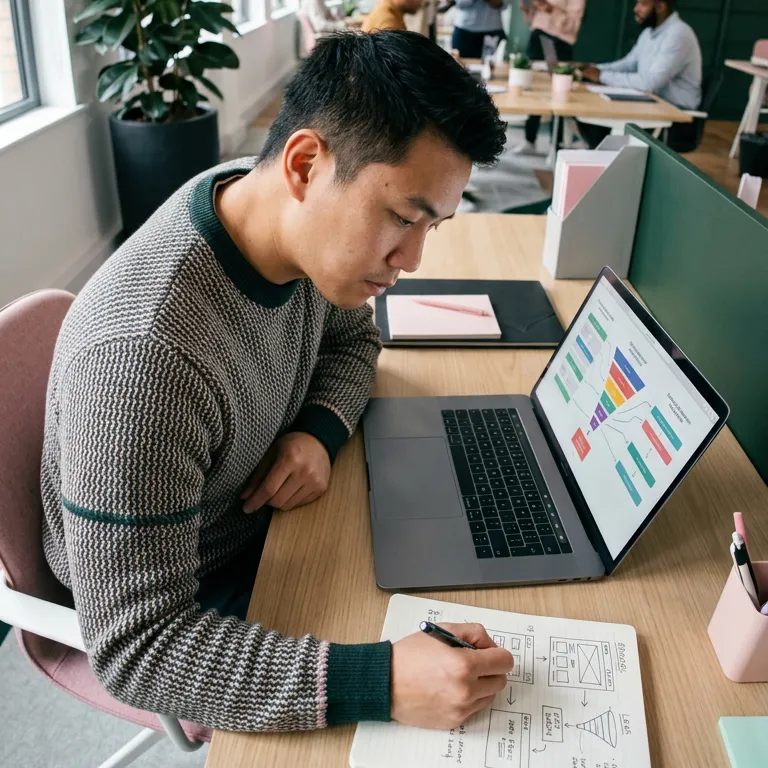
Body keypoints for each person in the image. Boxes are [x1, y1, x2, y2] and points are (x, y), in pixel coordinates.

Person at [41, 31, 511, 734]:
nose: (410, 258)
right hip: (194, 591)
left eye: (431, 227)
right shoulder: (143, 363)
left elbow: (356, 342)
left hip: (264, 517)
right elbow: (137, 646)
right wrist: (376, 681)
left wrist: (318, 431)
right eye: (403, 218)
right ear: (304, 164)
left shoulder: (280, 218)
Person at [578, 0, 702, 148]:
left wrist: (601, 76)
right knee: (590, 114)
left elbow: (650, 83)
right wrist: (595, 70)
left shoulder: (678, 34)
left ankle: (607, 163)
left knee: (597, 121)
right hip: (651, 106)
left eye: (643, 4)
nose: (636, 9)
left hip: (675, 117)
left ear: (660, 7)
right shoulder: (649, 33)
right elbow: (629, 64)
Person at [513, 0, 586, 155]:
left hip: (560, 41)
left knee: (559, 92)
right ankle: (529, 139)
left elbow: (572, 25)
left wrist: (550, 9)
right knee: (533, 85)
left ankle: (556, 145)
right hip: (538, 34)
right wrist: (529, 8)